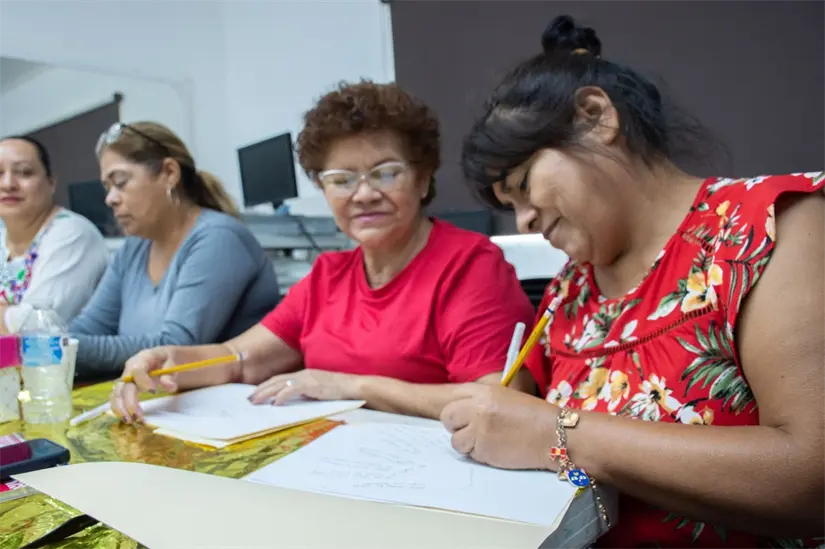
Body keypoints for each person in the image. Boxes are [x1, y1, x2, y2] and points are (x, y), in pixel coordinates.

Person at [441, 15, 825, 549]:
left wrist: (558, 435)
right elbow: (519, 421)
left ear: (596, 117)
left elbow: (813, 476)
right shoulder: (570, 292)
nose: (523, 221)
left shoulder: (771, 227)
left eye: (524, 185)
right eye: (509, 207)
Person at [110, 81, 538, 422]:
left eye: (385, 173)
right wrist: (167, 363)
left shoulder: (468, 266)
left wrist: (353, 386)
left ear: (423, 179)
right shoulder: (327, 275)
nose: (364, 194)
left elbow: (502, 404)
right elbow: (238, 360)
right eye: (341, 179)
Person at [70, 122, 281, 381]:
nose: (110, 198)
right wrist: (62, 345)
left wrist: (58, 348)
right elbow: (90, 327)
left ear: (169, 173)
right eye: (107, 187)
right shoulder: (134, 248)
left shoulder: (219, 238)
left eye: (121, 182)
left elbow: (174, 347)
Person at [0, 136, 109, 332]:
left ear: (51, 183)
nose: (8, 184)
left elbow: (37, 325)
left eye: (24, 173)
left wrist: (13, 318)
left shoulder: (73, 233)